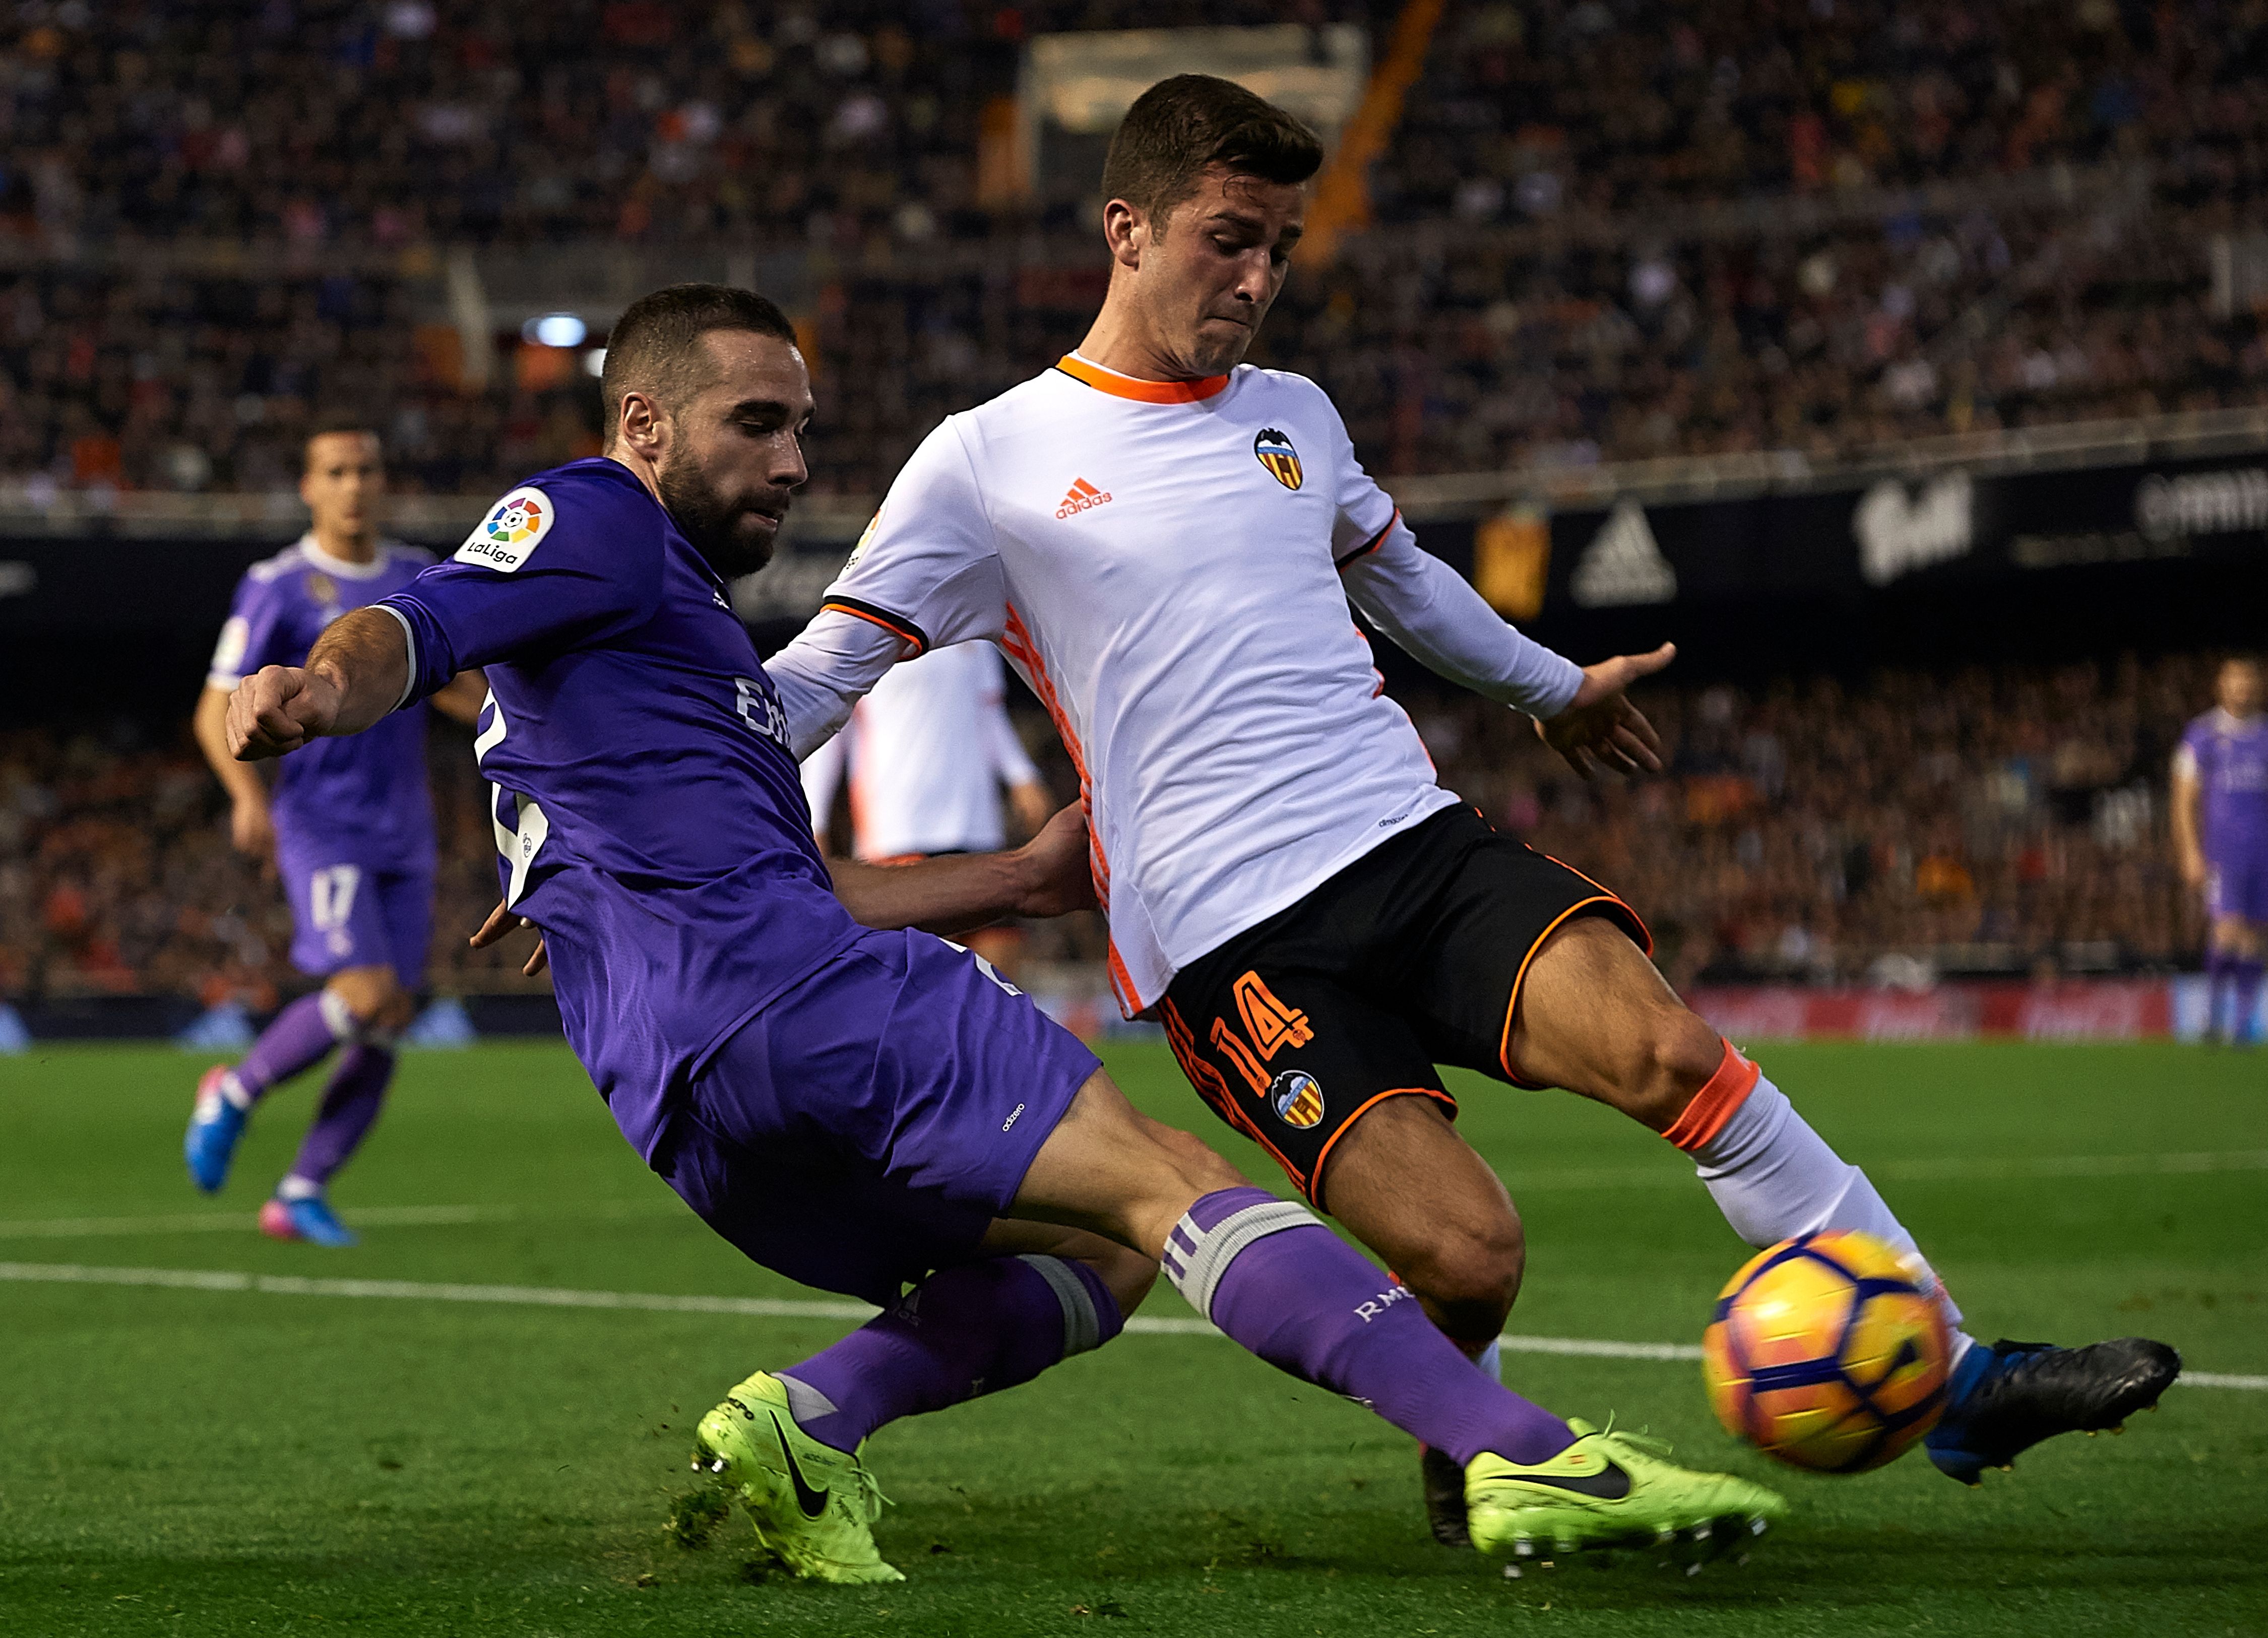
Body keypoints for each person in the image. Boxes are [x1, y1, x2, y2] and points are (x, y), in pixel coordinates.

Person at [764, 75, 2180, 1540]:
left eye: (1282, 252)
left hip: (1408, 841)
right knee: (1469, 1255)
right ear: (1128, 229)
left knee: (1674, 1053)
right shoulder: (986, 458)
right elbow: (820, 675)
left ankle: (1953, 1380)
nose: (1255, 281)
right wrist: (613, 800)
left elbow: (1405, 578)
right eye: (1228, 240)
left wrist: (1552, 688)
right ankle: (1479, 1447)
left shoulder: (1294, 417)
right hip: (1229, 938)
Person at [225, 283, 1784, 1585]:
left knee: (1092, 1262)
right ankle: (1522, 1457)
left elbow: (783, 876)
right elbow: (414, 620)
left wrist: (1017, 884)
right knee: (1178, 1184)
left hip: (688, 1110)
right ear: (643, 426)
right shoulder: (598, 519)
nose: (788, 461)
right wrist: (319, 687)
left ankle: (811, 1420)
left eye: (803, 429)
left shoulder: (651, 673)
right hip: (797, 1006)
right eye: (752, 423)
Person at [185, 424, 486, 1245]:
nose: (355, 484)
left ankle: (302, 1189)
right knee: (361, 995)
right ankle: (235, 1091)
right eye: (337, 471)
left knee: (390, 1014)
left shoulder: (413, 577)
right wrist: (248, 797)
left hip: (405, 825)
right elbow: (216, 712)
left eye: (368, 469)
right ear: (309, 488)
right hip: (324, 821)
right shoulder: (277, 585)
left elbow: (454, 688)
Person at [800, 639, 1054, 979]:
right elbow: (831, 736)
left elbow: (988, 713)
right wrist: (814, 820)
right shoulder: (859, 632)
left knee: (1002, 971)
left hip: (977, 825)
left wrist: (1023, 776)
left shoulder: (975, 633)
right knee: (922, 987)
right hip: (898, 829)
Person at [2173, 655, 2268, 1045]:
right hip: (2222, 854)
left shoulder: (2266, 735)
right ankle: (2213, 1016)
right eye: (2233, 680)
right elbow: (2182, 798)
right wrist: (2190, 851)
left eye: (2247, 680)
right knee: (2227, 931)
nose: (2240, 688)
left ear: (2258, 687)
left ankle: (2242, 1024)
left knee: (2256, 938)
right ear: (2221, 686)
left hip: (2262, 854)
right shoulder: (2202, 734)